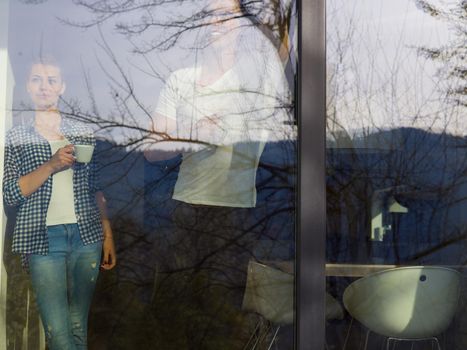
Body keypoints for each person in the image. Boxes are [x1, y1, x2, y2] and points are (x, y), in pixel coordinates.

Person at [144, 0, 292, 347]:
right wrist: (189, 136)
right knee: (181, 312)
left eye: (227, 14)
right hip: (186, 209)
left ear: (242, 25)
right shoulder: (180, 81)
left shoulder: (254, 81)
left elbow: (283, 44)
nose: (216, 21)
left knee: (224, 317)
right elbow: (150, 149)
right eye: (210, 14)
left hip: (235, 215)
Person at [3, 56, 117, 350]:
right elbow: (11, 194)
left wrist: (107, 235)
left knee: (79, 325)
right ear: (28, 87)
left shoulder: (82, 132)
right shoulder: (17, 136)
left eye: (51, 80)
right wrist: (51, 165)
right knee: (58, 332)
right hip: (43, 240)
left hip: (87, 236)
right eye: (36, 80)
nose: (44, 87)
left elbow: (97, 189)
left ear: (62, 87)